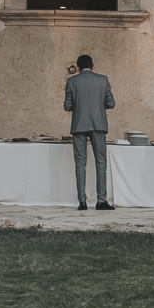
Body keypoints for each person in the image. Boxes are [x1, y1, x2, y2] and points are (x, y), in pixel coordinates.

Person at [64, 54, 116, 211]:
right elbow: (111, 103)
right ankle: (101, 201)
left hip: (79, 125)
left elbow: (67, 106)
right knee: (101, 162)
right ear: (92, 66)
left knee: (80, 163)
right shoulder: (103, 80)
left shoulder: (72, 81)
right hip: (98, 124)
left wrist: (79, 106)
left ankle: (82, 202)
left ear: (78, 67)